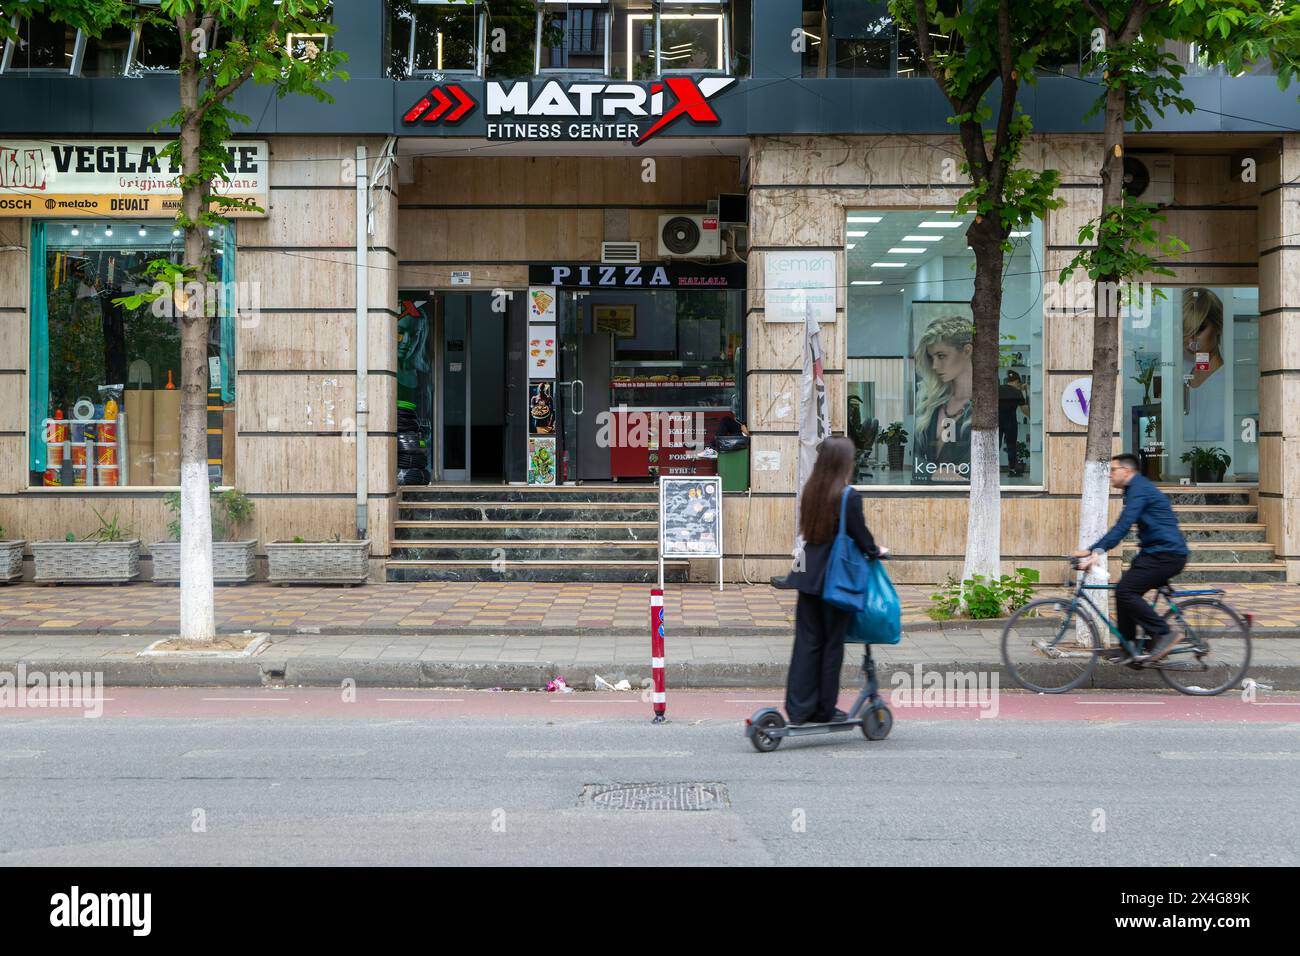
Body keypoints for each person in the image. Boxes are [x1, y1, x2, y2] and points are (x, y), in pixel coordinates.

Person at [783, 436, 885, 724]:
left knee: (807, 643)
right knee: (831, 646)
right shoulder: (847, 495)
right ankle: (824, 709)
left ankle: (799, 708)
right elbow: (860, 535)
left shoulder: (812, 490)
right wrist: (876, 551)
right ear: (844, 463)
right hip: (834, 580)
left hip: (807, 577)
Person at [1073, 454, 1189, 661]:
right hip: (1157, 553)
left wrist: (1098, 552)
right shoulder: (1136, 489)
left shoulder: (1139, 489)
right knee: (1123, 591)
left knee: (1126, 591)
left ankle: (1164, 633)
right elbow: (1121, 525)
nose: (1110, 475)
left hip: (1167, 555)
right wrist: (1092, 549)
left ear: (1126, 471)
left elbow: (1123, 525)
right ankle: (1129, 647)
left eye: (1113, 470)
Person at [912, 315, 973, 483]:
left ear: (967, 351)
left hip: (966, 501)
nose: (934, 366)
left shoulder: (985, 407)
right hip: (926, 498)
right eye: (931, 357)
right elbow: (918, 460)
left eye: (941, 356)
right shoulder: (930, 404)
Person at [998, 370, 1030, 477]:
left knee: (995, 445)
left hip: (996, 421)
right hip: (1010, 422)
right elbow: (1025, 410)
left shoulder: (998, 389)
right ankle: (1012, 470)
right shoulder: (1017, 393)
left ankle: (990, 469)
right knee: (1011, 446)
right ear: (1016, 381)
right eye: (1018, 383)